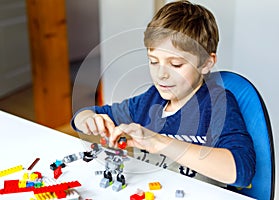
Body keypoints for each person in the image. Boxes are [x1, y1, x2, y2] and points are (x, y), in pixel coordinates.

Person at [71, 0, 255, 188]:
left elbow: (241, 171)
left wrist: (159, 142)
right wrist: (89, 120)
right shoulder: (149, 100)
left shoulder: (217, 103)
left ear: (206, 63)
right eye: (153, 61)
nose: (161, 74)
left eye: (175, 64)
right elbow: (84, 115)